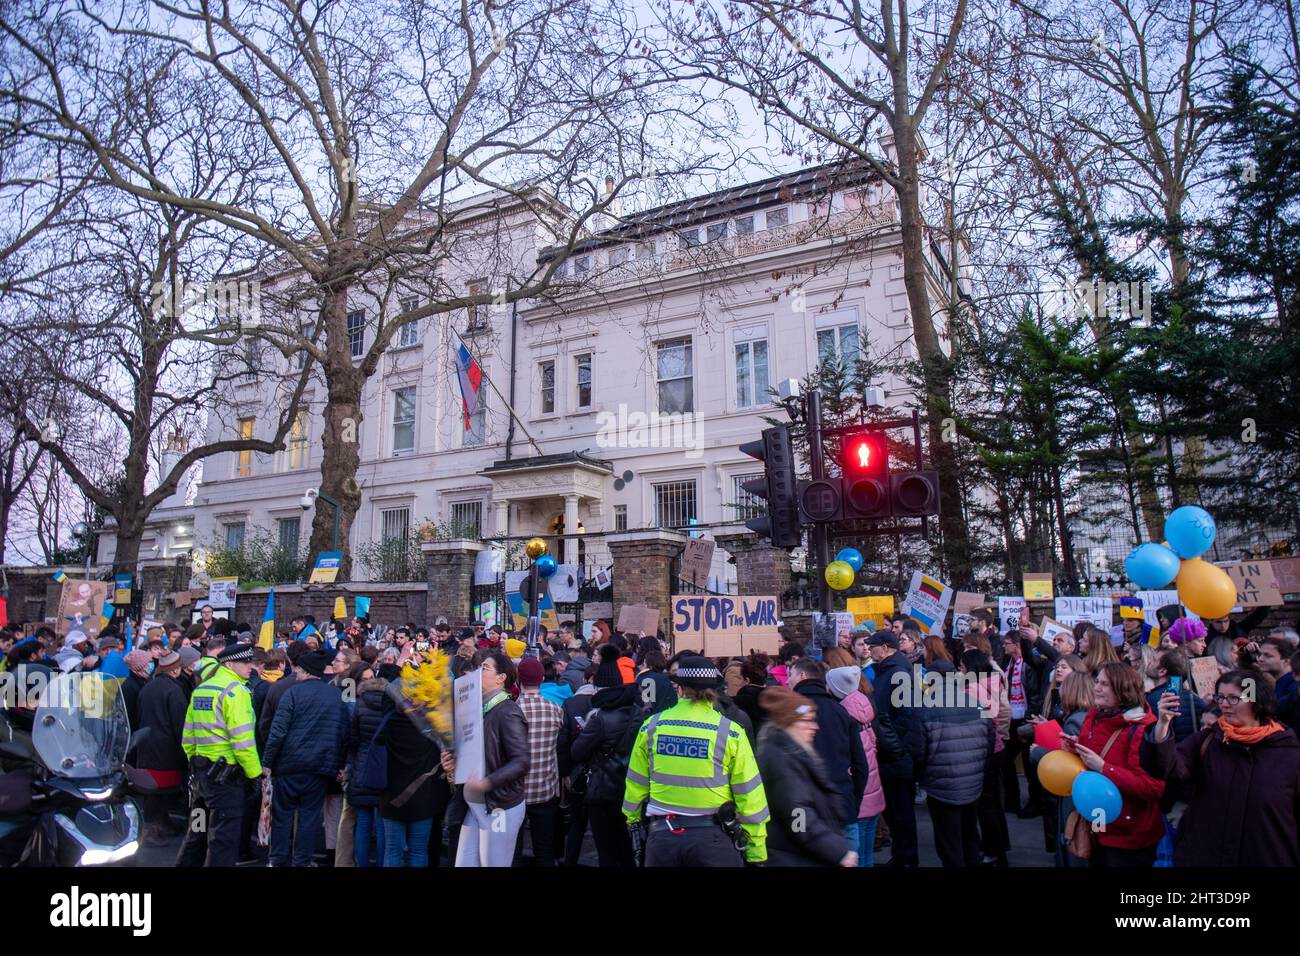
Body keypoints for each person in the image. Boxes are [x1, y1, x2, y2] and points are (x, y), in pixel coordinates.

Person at [1141, 667, 1299, 866]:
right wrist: (1162, 725)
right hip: (1206, 856)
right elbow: (1165, 767)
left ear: (1255, 701)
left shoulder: (1287, 749)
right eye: (1220, 697)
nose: (1224, 704)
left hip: (1267, 856)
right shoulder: (1208, 740)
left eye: (1234, 698)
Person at [623, 655, 769, 866]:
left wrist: (633, 823)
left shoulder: (651, 727)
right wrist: (756, 852)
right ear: (715, 691)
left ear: (679, 688)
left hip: (663, 840)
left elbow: (635, 785)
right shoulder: (730, 733)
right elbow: (750, 796)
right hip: (714, 842)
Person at [1060, 662, 1165, 867]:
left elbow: (1152, 789)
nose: (1097, 687)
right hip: (1097, 824)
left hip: (1129, 835)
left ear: (1123, 690)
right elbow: (1095, 756)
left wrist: (1103, 767)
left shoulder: (1142, 729)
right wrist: (1077, 748)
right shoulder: (1093, 716)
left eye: (1105, 684)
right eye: (1097, 681)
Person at [176, 642, 262, 867]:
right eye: (245, 662)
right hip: (226, 780)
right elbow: (243, 741)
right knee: (223, 840)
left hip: (201, 777)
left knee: (197, 832)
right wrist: (255, 775)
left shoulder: (202, 689)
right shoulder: (235, 691)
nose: (250, 667)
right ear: (230, 664)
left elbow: (188, 735)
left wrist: (195, 763)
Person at [440, 651, 530, 867]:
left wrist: (487, 782)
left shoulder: (508, 712)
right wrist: (453, 762)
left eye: (486, 668)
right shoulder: (476, 709)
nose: (479, 672)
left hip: (500, 806)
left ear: (501, 678)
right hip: (475, 803)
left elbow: (522, 761)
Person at [263, 649, 348, 867]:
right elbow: (342, 733)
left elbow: (277, 731)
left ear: (306, 671)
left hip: (289, 765)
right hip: (319, 767)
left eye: (299, 668)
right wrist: (339, 765)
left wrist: (268, 762)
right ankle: (302, 860)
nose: (296, 671)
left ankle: (278, 859)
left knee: (282, 816)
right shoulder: (336, 695)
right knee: (309, 818)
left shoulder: (292, 693)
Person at [754, 685, 855, 867]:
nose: (814, 727)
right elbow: (798, 816)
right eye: (807, 721)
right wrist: (837, 851)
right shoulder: (781, 759)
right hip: (795, 857)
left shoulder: (790, 751)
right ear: (789, 723)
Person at [916, 653, 996, 867]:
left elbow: (919, 752)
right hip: (972, 784)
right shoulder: (975, 704)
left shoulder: (928, 710)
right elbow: (990, 741)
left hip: (942, 787)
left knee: (949, 842)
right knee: (969, 835)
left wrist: (922, 777)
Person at [571, 644, 639, 867]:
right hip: (632, 789)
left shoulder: (599, 718)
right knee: (629, 849)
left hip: (604, 791)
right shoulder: (639, 712)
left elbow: (577, 751)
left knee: (607, 852)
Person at [789, 658, 868, 837]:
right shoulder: (841, 711)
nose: (787, 680)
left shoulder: (790, 714)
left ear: (802, 676)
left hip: (805, 813)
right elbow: (861, 766)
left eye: (790, 675)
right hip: (842, 808)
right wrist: (853, 803)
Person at [866, 630, 923, 866]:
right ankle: (901, 856)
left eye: (873, 646)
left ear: (886, 647)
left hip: (897, 754)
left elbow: (907, 714)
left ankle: (907, 859)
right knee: (894, 811)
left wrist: (891, 741)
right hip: (891, 752)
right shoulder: (887, 670)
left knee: (901, 811)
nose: (869, 650)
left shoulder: (897, 673)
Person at [1028, 671, 1094, 867]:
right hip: (1084, 792)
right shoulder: (1087, 715)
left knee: (1072, 837)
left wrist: (1039, 752)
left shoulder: (1075, 720)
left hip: (1074, 795)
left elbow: (1068, 762)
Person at [824, 663, 885, 866]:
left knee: (855, 855)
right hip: (875, 790)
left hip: (858, 796)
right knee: (867, 853)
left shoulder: (843, 715)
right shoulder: (865, 706)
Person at [134, 650, 190, 845]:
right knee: (160, 793)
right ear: (175, 670)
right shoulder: (174, 691)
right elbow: (180, 724)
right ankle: (150, 829)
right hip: (166, 748)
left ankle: (161, 822)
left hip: (147, 745)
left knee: (154, 791)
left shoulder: (148, 687)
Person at [515, 657, 564, 866]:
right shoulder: (555, 709)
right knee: (544, 849)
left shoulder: (511, 709)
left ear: (518, 680)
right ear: (542, 679)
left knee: (512, 849)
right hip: (545, 789)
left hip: (516, 791)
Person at [344, 667, 389, 867]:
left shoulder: (358, 705)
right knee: (381, 826)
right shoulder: (391, 706)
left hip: (361, 766)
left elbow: (352, 740)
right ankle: (380, 863)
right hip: (383, 769)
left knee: (362, 824)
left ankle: (361, 864)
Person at [1144, 649, 1205, 743]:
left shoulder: (1152, 700)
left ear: (1162, 671)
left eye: (1154, 660)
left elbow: (1151, 741)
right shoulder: (1198, 701)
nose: (1149, 662)